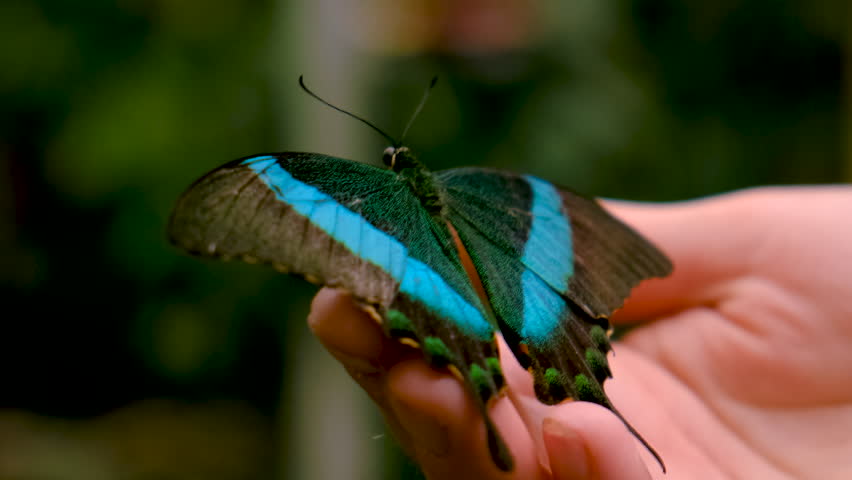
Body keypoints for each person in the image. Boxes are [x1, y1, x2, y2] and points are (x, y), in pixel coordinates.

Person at [307, 186, 852, 479]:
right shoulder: (500, 191)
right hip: (455, 288)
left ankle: (484, 381)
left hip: (443, 286)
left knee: (466, 399)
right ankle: (490, 387)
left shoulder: (491, 192)